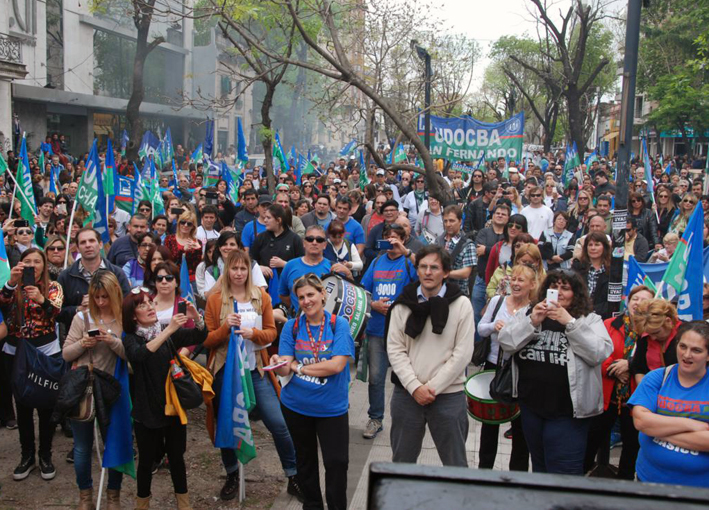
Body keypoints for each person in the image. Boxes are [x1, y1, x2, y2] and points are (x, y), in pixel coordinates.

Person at [204, 250, 302, 502]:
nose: (238, 273)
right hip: (226, 371)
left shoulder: (261, 297)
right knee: (227, 423)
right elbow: (207, 339)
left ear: (249, 271)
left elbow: (271, 333)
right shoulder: (215, 299)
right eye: (234, 269)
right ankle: (232, 474)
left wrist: (253, 334)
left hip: (256, 369)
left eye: (243, 269)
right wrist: (226, 328)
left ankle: (293, 475)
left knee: (278, 423)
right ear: (227, 271)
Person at [498, 269, 613, 474]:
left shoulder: (589, 320)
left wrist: (569, 322)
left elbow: (599, 353)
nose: (558, 292)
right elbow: (506, 342)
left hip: (568, 414)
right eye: (554, 286)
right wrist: (532, 321)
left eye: (565, 288)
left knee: (563, 473)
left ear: (575, 294)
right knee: (540, 468)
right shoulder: (530, 312)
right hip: (532, 408)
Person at [270, 274, 354, 510]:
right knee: (305, 462)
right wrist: (279, 361)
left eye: (310, 294)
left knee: (337, 463)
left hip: (331, 408)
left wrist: (300, 367)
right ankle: (313, 505)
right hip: (296, 406)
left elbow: (337, 365)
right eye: (301, 297)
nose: (306, 301)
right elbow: (286, 364)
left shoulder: (339, 324)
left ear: (322, 294)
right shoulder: (291, 326)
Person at [386, 245, 475, 466]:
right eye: (423, 266)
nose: (427, 272)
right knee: (401, 464)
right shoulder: (403, 304)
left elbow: (463, 353)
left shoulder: (462, 305)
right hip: (407, 395)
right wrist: (415, 387)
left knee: (455, 464)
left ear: (445, 273)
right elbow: (395, 350)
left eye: (434, 267)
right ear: (417, 270)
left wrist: (432, 387)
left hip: (448, 396)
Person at [122, 288, 206, 509]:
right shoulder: (131, 338)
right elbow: (140, 355)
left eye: (151, 303)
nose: (149, 307)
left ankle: (184, 504)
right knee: (146, 462)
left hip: (173, 406)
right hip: (146, 410)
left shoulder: (166, 332)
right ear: (132, 315)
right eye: (142, 305)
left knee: (177, 458)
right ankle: (142, 504)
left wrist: (195, 316)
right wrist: (169, 330)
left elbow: (199, 336)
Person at [62, 272, 126, 509]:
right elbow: (66, 353)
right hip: (85, 389)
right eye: (96, 297)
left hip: (114, 389)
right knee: (81, 447)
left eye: (105, 297)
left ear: (115, 294)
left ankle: (113, 495)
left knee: (115, 443)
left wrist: (112, 342)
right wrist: (82, 344)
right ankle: (85, 495)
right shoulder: (82, 318)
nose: (100, 302)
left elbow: (132, 356)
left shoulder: (123, 319)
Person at [0, 248, 63, 481]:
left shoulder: (53, 287)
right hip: (16, 351)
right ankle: (26, 456)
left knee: (46, 403)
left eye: (38, 261)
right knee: (23, 405)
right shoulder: (14, 286)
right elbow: (2, 304)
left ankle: (45, 455)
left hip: (45, 351)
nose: (33, 265)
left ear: (44, 266)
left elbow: (56, 311)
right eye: (28, 261)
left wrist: (41, 299)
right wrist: (10, 283)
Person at [583, 285, 654, 479]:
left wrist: (630, 365)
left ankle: (624, 483)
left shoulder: (652, 331)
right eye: (635, 299)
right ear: (628, 301)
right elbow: (596, 352)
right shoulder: (609, 324)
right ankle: (581, 474)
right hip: (606, 395)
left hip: (634, 400)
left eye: (644, 300)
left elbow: (652, 361)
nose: (638, 303)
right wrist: (613, 369)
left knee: (632, 445)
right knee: (592, 439)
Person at [629, 321, 709, 488]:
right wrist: (693, 425)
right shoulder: (657, 377)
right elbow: (641, 422)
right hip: (649, 486)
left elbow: (647, 426)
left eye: (696, 350)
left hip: (699, 492)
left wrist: (655, 431)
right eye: (683, 346)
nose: (687, 355)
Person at [359, 224, 418, 440]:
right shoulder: (376, 261)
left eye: (396, 238)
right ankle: (376, 418)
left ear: (404, 239)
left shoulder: (407, 261)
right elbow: (363, 289)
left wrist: (406, 252)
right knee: (376, 377)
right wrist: (372, 304)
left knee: (409, 376)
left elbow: (422, 277)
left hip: (404, 331)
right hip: (376, 329)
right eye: (387, 238)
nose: (391, 241)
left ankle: (413, 418)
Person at [477, 265, 536, 471]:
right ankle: (485, 471)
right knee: (490, 424)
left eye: (522, 280)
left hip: (522, 372)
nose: (516, 284)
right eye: (514, 279)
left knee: (521, 428)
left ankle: (516, 476)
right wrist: (494, 326)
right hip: (494, 367)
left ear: (532, 285)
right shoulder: (497, 301)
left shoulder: (534, 309)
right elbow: (481, 329)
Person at [58, 228, 132, 331]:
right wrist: (78, 309)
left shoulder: (116, 273)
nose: (88, 245)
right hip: (79, 336)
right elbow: (57, 312)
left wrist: (104, 304)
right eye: (83, 242)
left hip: (113, 333)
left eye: (92, 241)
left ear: (100, 244)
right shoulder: (66, 276)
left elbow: (128, 305)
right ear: (78, 248)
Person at [279, 225, 332, 312]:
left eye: (319, 240)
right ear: (304, 243)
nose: (314, 242)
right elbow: (283, 295)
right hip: (297, 322)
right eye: (310, 239)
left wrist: (348, 274)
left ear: (325, 245)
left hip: (326, 323)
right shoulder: (290, 266)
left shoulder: (332, 267)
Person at [630, 298, 683, 383]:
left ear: (668, 321)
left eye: (656, 332)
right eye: (649, 334)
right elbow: (638, 368)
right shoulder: (645, 336)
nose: (653, 338)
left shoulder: (685, 333)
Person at [250, 204, 304, 282]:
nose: (265, 220)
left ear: (278, 220)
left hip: (287, 284)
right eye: (265, 217)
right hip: (264, 285)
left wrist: (284, 264)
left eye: (268, 218)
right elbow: (250, 259)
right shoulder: (261, 238)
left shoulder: (294, 239)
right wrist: (259, 267)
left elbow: (302, 264)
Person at [435, 205, 476, 297]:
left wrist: (443, 274)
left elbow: (466, 273)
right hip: (438, 291)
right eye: (445, 221)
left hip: (457, 294)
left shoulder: (468, 244)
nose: (448, 224)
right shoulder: (438, 241)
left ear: (460, 221)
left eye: (452, 221)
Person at [571, 232, 611, 319]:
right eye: (590, 245)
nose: (593, 248)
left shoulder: (612, 270)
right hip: (578, 315)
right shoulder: (577, 266)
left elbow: (611, 301)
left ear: (604, 247)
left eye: (597, 245)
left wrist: (592, 310)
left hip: (602, 317)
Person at [484, 213, 529, 284]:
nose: (513, 228)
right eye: (510, 225)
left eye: (517, 227)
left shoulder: (529, 247)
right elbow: (489, 271)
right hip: (499, 288)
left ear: (523, 229)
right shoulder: (497, 246)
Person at [164, 208, 203, 288]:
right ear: (178, 223)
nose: (185, 225)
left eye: (189, 224)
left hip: (191, 280)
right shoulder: (169, 239)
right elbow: (168, 260)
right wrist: (183, 251)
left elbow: (196, 265)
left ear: (193, 227)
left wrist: (198, 250)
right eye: (183, 222)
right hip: (173, 278)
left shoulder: (197, 242)